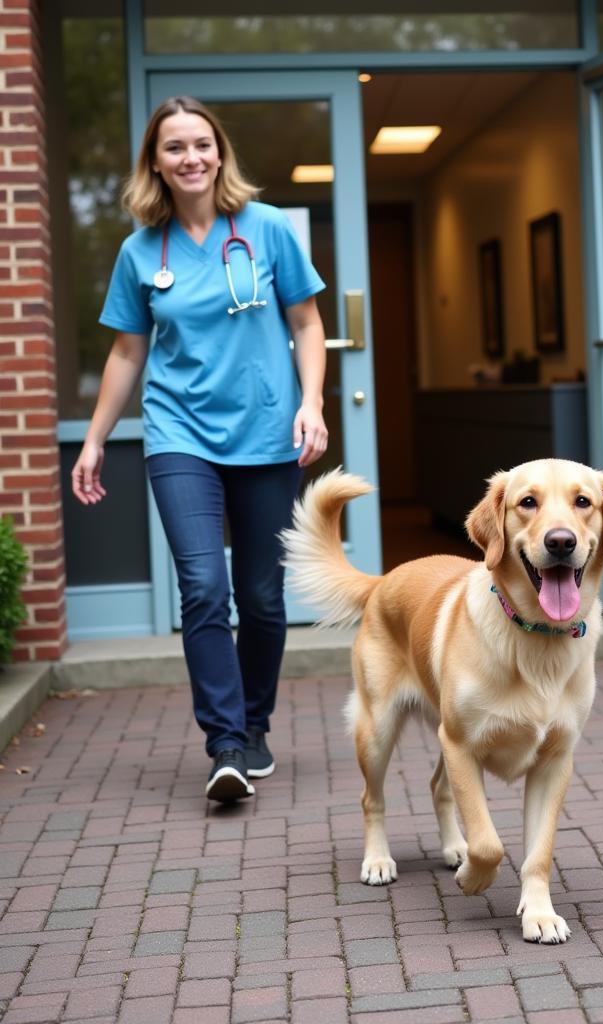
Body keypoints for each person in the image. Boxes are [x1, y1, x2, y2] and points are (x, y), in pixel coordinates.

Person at [70, 96, 329, 803]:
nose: (191, 158)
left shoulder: (267, 228)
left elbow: (307, 324)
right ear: (155, 161)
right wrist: (95, 439)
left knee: (263, 596)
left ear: (220, 153)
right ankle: (225, 744)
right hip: (179, 433)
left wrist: (312, 402)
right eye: (175, 147)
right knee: (204, 588)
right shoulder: (139, 251)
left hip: (267, 433)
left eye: (202, 145)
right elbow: (127, 351)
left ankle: (254, 723)